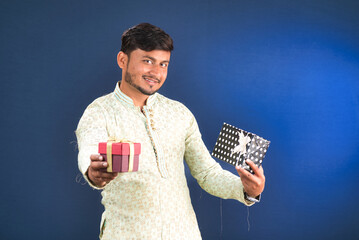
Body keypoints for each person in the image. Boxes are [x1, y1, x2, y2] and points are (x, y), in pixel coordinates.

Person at [76, 23, 265, 240]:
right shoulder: (99, 112)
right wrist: (93, 171)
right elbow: (89, 150)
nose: (156, 72)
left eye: (163, 64)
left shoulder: (180, 113)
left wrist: (248, 190)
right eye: (147, 61)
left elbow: (207, 173)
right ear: (123, 60)